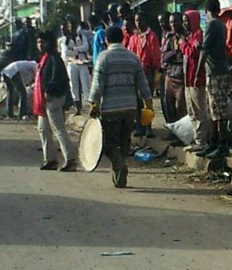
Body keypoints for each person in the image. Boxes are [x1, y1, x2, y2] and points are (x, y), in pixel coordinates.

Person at [89, 27, 153, 188]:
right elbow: (143, 83)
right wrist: (148, 103)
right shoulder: (133, 58)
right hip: (130, 107)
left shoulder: (103, 58)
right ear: (123, 39)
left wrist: (93, 103)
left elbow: (98, 84)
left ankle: (119, 166)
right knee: (125, 141)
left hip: (111, 108)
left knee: (110, 143)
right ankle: (119, 171)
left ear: (106, 41)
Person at [34, 31, 76, 172]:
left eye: (43, 42)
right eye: (39, 42)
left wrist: (49, 92)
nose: (40, 45)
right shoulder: (45, 58)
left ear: (50, 43)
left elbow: (59, 79)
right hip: (43, 101)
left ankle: (70, 159)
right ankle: (50, 159)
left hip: (53, 98)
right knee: (43, 129)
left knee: (58, 129)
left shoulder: (54, 59)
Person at [195, 0, 232, 159]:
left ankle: (222, 144)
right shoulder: (221, 25)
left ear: (206, 11)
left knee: (218, 111)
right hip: (218, 70)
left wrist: (198, 73)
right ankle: (214, 142)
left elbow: (206, 49)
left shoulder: (211, 25)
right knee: (215, 110)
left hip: (215, 72)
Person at [180, 10, 210, 152]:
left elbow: (193, 53)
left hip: (197, 78)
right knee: (191, 111)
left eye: (187, 21)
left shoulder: (198, 35)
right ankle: (197, 138)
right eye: (184, 21)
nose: (185, 24)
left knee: (199, 111)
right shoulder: (190, 36)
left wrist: (183, 44)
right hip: (188, 79)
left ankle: (202, 141)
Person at [128, 13, 161, 138]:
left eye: (140, 20)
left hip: (148, 72)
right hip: (135, 73)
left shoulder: (151, 36)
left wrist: (154, 69)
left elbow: (155, 55)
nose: (138, 22)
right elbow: (131, 54)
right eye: (136, 20)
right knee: (137, 101)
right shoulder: (133, 38)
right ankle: (139, 127)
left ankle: (148, 127)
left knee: (147, 101)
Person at [58, 19, 91, 116]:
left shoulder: (81, 36)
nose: (71, 28)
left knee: (86, 85)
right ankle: (78, 108)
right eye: (70, 26)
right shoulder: (64, 40)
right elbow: (66, 53)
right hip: (71, 64)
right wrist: (78, 50)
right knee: (74, 86)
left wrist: (74, 49)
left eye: (73, 26)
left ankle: (89, 107)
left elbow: (86, 47)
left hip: (82, 63)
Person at [161, 13, 187, 123]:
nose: (173, 24)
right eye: (171, 22)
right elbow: (163, 57)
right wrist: (175, 52)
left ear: (181, 22)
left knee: (181, 107)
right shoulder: (169, 37)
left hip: (182, 77)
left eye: (175, 21)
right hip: (170, 75)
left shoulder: (186, 36)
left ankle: (182, 134)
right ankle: (172, 131)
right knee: (168, 105)